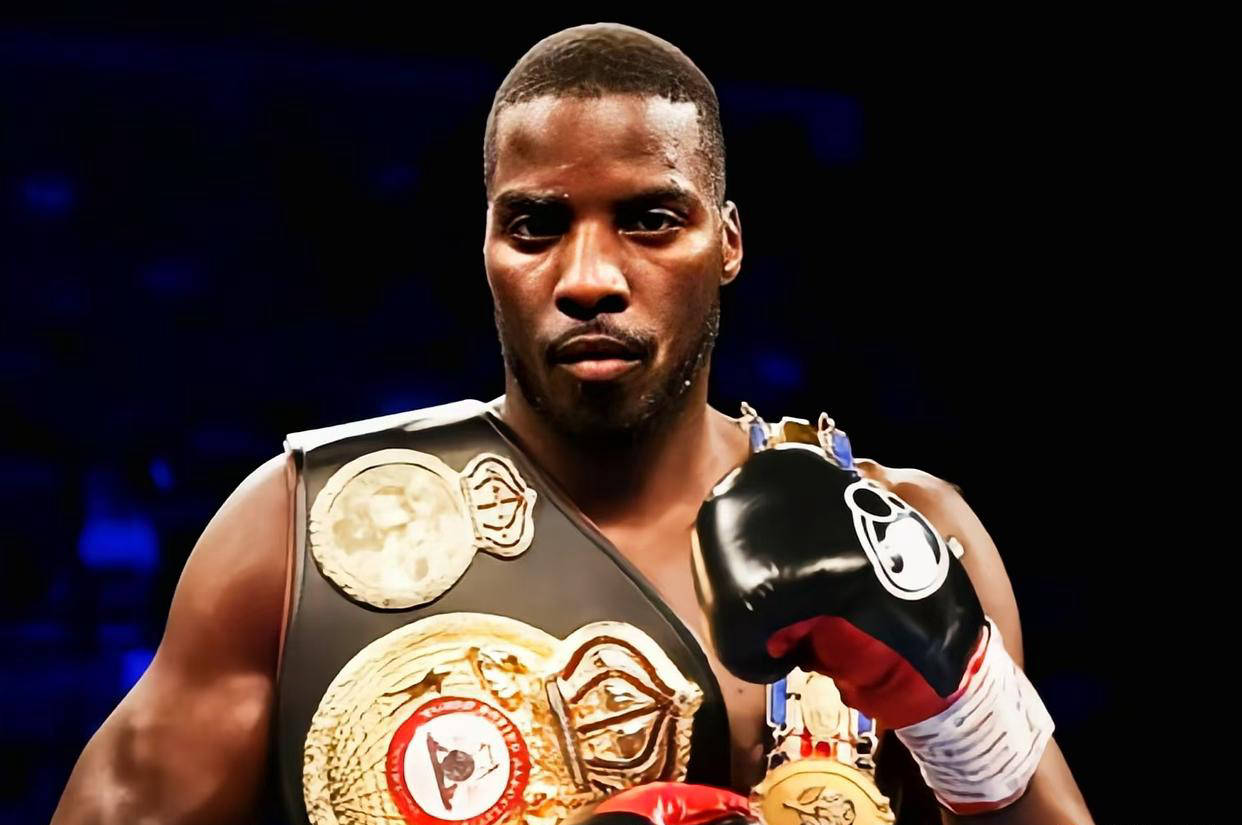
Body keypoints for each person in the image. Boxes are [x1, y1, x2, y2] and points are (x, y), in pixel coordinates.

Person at [51, 23, 1093, 825]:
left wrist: (961, 697)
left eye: (650, 219)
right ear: (487, 249)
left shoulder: (903, 532)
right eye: (538, 225)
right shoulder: (295, 537)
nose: (589, 276)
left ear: (728, 243)